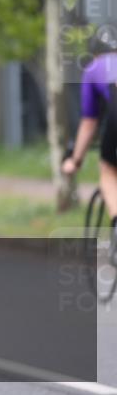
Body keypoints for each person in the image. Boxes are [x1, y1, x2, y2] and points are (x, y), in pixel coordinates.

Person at [62, 30, 117, 240]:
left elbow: (89, 122)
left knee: (108, 171)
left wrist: (75, 160)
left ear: (95, 54)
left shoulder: (94, 68)